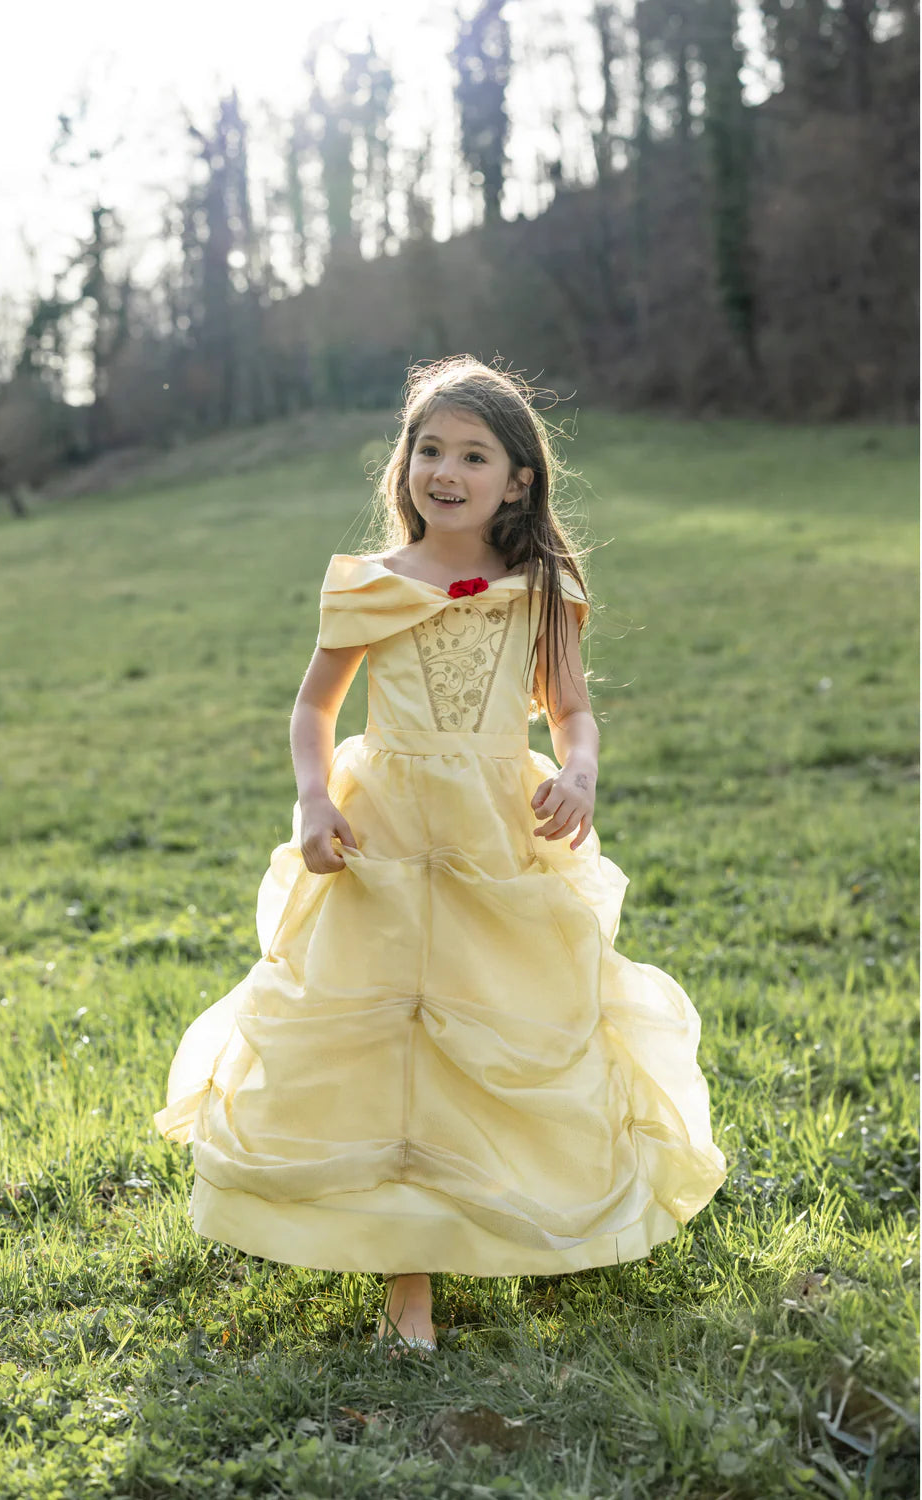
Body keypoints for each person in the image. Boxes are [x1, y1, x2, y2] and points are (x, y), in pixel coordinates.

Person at [154, 356, 727, 1359]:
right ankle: (405, 1284)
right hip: (383, 832)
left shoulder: (541, 588)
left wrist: (580, 772)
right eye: (429, 450)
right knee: (390, 1045)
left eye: (473, 455)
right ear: (404, 464)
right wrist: (314, 798)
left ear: (517, 480)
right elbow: (313, 708)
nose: (446, 471)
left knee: (498, 1026)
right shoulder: (368, 584)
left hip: (495, 832)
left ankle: (508, 1214)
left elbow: (572, 710)